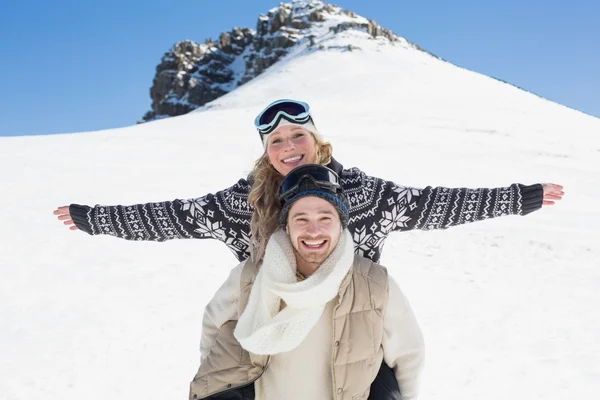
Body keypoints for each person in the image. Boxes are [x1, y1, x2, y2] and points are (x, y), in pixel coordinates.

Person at [53, 99, 564, 265]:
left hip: (353, 328)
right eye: (275, 142)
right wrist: (93, 219)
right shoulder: (240, 204)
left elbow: (438, 203)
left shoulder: (368, 196)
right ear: (266, 153)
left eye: (297, 135)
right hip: (271, 331)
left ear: (317, 141)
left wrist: (522, 198)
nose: (288, 147)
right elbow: (168, 218)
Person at [190, 165, 424, 400]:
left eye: (325, 218)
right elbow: (213, 327)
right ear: (287, 226)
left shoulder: (374, 283)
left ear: (341, 224)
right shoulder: (251, 276)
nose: (314, 231)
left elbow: (408, 355)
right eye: (301, 219)